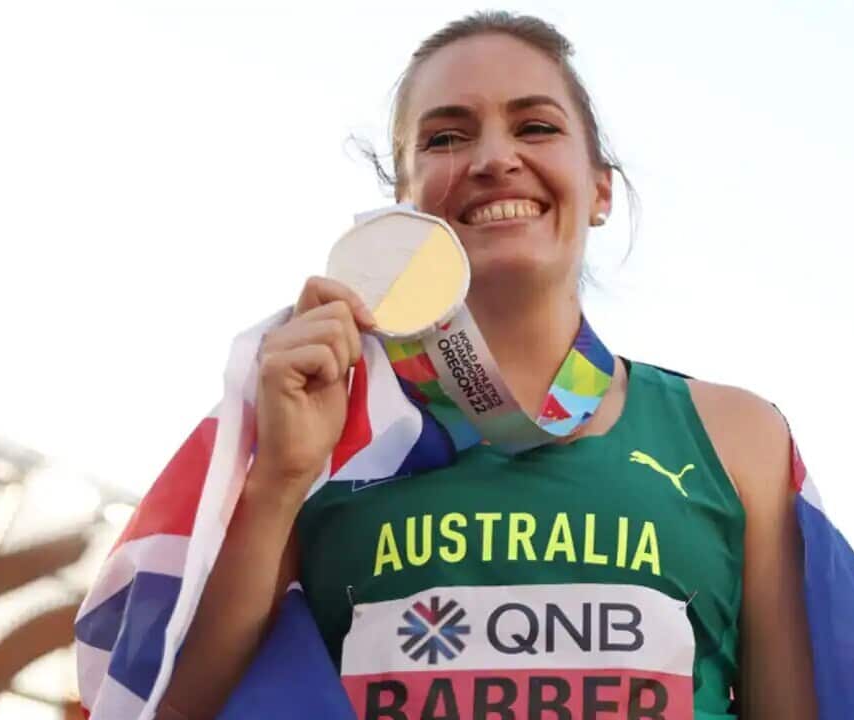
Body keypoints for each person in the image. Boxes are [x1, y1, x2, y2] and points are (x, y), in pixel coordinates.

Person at [160, 11, 817, 719]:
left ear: (599, 190)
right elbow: (180, 711)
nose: (494, 158)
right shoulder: (315, 427)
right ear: (403, 204)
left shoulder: (737, 437)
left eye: (536, 127)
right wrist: (280, 481)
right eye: (445, 137)